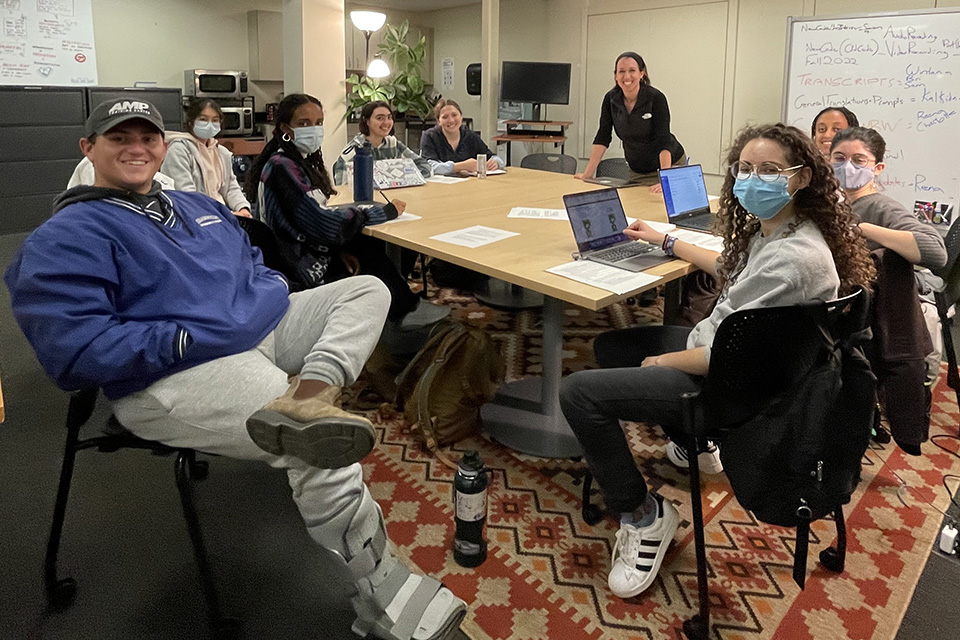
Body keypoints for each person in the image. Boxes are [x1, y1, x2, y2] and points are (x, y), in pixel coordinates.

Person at [5, 98, 466, 640]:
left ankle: (310, 392)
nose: (136, 148)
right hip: (179, 370)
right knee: (315, 445)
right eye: (118, 138)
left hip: (258, 330)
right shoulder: (66, 236)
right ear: (89, 149)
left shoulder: (193, 206)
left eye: (147, 137)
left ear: (163, 144)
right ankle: (378, 588)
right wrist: (189, 335)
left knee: (366, 290)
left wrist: (261, 296)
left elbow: (257, 264)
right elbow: (75, 352)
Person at [559, 123, 875, 600]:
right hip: (747, 360)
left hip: (734, 387)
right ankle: (694, 441)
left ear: (802, 177)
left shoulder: (795, 259)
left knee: (579, 392)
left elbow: (719, 356)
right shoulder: (789, 231)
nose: (752, 179)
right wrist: (664, 241)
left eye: (769, 170)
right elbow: (734, 272)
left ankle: (644, 516)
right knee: (612, 347)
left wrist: (662, 361)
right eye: (745, 169)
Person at [247, 93, 448, 331]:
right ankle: (403, 310)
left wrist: (340, 248)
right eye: (303, 123)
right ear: (285, 128)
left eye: (319, 123)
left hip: (297, 247)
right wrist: (383, 212)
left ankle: (399, 306)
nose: (314, 129)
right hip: (293, 260)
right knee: (366, 243)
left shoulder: (290, 161)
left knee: (360, 244)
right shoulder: (283, 167)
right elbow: (323, 224)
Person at [830, 126, 947, 393]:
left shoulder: (879, 207)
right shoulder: (841, 203)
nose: (847, 166)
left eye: (858, 160)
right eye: (839, 158)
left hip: (864, 320)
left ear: (878, 167)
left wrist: (863, 229)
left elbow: (936, 252)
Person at [576, 52, 685, 193]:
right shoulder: (611, 99)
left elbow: (663, 140)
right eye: (621, 71)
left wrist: (666, 179)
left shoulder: (656, 98)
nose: (627, 76)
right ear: (615, 76)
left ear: (642, 73)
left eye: (632, 70)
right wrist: (587, 174)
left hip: (669, 167)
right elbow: (603, 136)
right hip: (638, 172)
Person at [160, 97, 252, 217]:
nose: (209, 124)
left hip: (221, 215)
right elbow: (186, 195)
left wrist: (243, 208)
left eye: (215, 120)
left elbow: (231, 188)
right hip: (191, 217)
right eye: (203, 119)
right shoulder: (179, 150)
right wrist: (225, 215)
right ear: (191, 122)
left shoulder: (221, 152)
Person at [333, 101, 433, 186]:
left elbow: (425, 166)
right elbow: (342, 189)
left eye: (389, 117)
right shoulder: (354, 150)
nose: (386, 122)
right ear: (367, 121)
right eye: (380, 118)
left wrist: (407, 178)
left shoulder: (393, 143)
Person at [419, 99, 504, 176]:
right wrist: (460, 166)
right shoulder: (430, 136)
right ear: (439, 121)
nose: (451, 120)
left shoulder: (470, 136)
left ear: (461, 117)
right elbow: (427, 166)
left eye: (454, 115)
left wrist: (495, 162)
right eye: (445, 117)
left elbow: (493, 157)